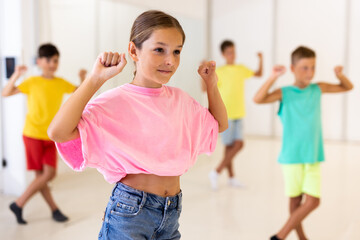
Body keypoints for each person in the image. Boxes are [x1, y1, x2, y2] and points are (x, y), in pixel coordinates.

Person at [47, 10, 228, 239]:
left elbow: (218, 124)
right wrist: (95, 79)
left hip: (171, 211)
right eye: (159, 50)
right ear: (134, 50)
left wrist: (211, 84)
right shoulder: (114, 101)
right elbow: (58, 132)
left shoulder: (180, 100)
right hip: (130, 211)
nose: (170, 60)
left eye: (177, 51)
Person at [253, 46, 353, 240]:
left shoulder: (318, 88)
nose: (310, 72)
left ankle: (279, 236)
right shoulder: (285, 92)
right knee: (295, 200)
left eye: (313, 67)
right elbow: (258, 99)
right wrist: (273, 77)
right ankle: (302, 237)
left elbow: (348, 87)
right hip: (291, 156)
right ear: (292, 68)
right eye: (305, 67)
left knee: (313, 201)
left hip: (313, 155)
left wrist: (340, 75)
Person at [2, 43, 86, 224]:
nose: (52, 63)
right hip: (32, 135)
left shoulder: (60, 83)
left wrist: (83, 78)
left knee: (48, 175)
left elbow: (80, 92)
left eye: (55, 60)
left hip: (51, 136)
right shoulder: (32, 82)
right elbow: (6, 93)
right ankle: (54, 210)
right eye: (48, 60)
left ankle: (18, 203)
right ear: (39, 61)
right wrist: (16, 74)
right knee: (43, 177)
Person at [207, 40, 263, 190]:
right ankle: (218, 172)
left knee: (234, 146)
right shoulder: (220, 71)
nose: (233, 55)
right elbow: (210, 90)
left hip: (239, 113)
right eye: (230, 52)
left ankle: (225, 176)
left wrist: (261, 58)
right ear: (223, 55)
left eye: (234, 51)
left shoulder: (241, 69)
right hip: (226, 114)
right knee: (233, 146)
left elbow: (259, 74)